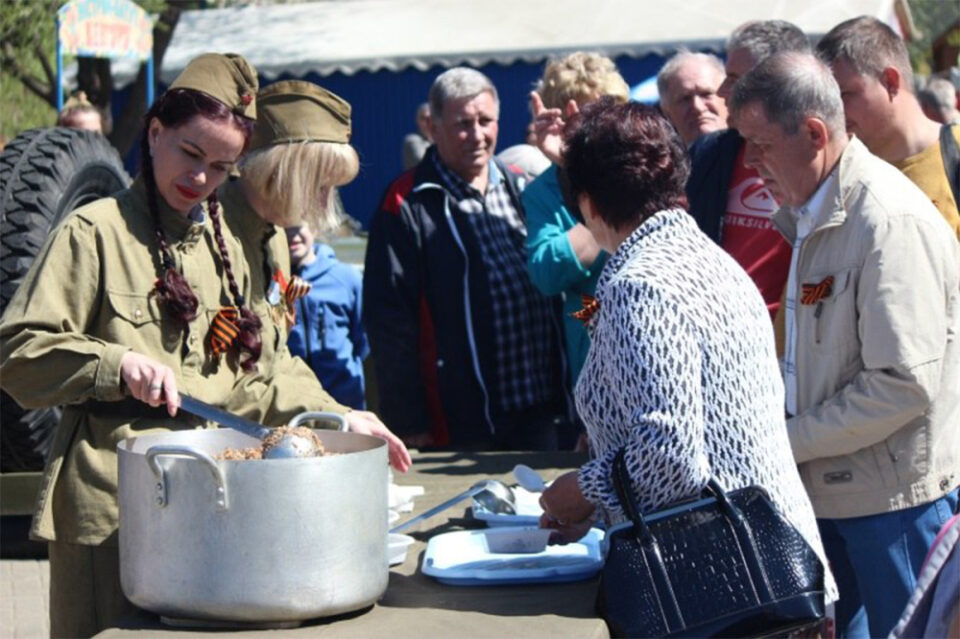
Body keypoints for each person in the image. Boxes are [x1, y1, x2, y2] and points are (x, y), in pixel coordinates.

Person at [0, 54, 402, 639]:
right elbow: (16, 353)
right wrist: (116, 364)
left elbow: (260, 372)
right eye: (191, 154)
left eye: (221, 167)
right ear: (155, 131)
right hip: (114, 504)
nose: (201, 179)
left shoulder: (228, 246)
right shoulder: (95, 232)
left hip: (209, 504)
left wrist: (337, 417)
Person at [535, 98, 835, 606]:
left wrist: (583, 488)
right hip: (771, 566)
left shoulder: (641, 284)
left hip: (729, 585)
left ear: (586, 202)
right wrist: (605, 508)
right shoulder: (706, 258)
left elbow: (669, 457)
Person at [730, 51, 960, 639]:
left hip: (894, 506)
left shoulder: (886, 220)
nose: (750, 164)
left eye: (758, 144)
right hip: (842, 499)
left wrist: (782, 440)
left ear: (813, 133)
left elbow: (903, 385)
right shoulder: (815, 212)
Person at [365, 67, 572, 451]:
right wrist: (408, 419)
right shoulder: (406, 201)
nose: (477, 135)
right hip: (464, 419)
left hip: (544, 408)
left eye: (485, 121)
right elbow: (389, 321)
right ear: (432, 125)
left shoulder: (520, 184)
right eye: (462, 123)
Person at [218, 79, 408, 464]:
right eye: (320, 184)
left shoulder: (270, 238)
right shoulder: (213, 232)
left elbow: (276, 359)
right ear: (281, 171)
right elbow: (230, 379)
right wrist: (335, 415)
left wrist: (339, 413)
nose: (326, 201)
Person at [523, 52, 629, 447]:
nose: (599, 127)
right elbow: (547, 272)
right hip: (593, 367)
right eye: (585, 116)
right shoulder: (544, 191)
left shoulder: (648, 171)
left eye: (607, 112)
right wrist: (585, 183)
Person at [686, 20, 810, 324]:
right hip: (717, 339)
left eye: (734, 79)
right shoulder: (708, 155)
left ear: (780, 83)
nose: (722, 91)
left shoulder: (819, 159)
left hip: (792, 347)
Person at [817, 16, 960, 241]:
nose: (833, 110)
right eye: (828, 99)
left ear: (890, 82)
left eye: (844, 95)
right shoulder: (837, 174)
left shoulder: (955, 152)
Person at [286, 221, 369, 410]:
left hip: (345, 402)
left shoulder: (347, 278)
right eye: (283, 229)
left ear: (314, 227)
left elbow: (362, 342)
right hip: (294, 407)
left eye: (298, 226)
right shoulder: (271, 282)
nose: (292, 235)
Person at [656, 50, 728, 146]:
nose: (698, 107)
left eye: (706, 94)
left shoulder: (750, 156)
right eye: (685, 98)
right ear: (666, 113)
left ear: (728, 98)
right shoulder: (662, 160)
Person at [401, 102, 432, 170]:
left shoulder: (440, 140)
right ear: (417, 121)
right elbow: (423, 161)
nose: (427, 122)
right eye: (423, 118)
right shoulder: (412, 141)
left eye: (430, 118)